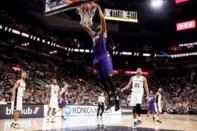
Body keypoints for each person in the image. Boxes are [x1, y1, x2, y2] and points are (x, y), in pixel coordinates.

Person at [79, 3, 119, 111]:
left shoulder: (103, 33)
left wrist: (98, 8)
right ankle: (110, 98)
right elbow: (84, 26)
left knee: (108, 78)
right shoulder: (93, 34)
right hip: (96, 59)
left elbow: (103, 19)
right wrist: (82, 12)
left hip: (103, 57)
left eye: (101, 25)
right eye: (99, 25)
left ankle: (117, 99)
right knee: (102, 80)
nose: (99, 25)